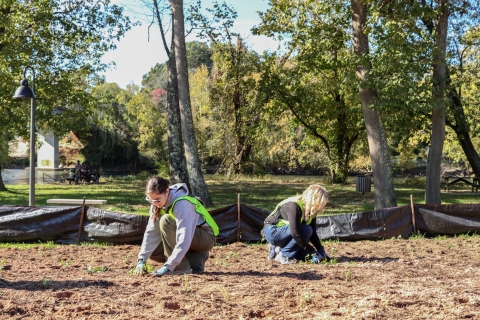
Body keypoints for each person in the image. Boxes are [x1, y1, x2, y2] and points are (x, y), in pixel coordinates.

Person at [133, 177, 219, 276]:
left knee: (166, 221)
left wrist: (168, 267)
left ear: (167, 191)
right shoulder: (156, 203)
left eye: (157, 199)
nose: (155, 203)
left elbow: (184, 238)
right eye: (151, 200)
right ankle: (196, 259)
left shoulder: (183, 204)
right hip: (191, 238)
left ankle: (181, 268)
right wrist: (141, 260)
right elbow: (151, 232)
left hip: (206, 238)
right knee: (153, 251)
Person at [263, 184, 330, 264]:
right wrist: (313, 251)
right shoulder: (293, 206)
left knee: (306, 256)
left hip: (288, 234)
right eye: (320, 203)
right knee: (306, 230)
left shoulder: (311, 210)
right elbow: (295, 233)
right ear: (313, 199)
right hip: (273, 232)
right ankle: (283, 254)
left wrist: (321, 251)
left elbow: (313, 234)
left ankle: (276, 249)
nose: (320, 207)